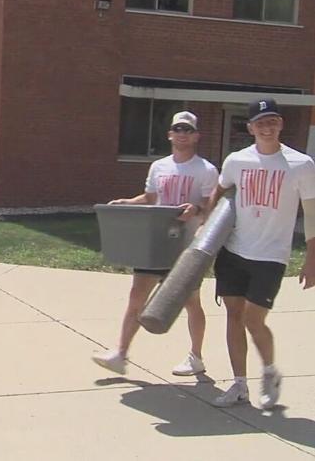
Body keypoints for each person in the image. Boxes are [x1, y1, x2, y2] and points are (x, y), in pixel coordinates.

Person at [205, 98, 315, 409]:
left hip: (271, 256)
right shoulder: (237, 161)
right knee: (233, 315)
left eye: (273, 121)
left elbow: (312, 212)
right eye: (261, 123)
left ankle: (269, 372)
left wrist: (312, 257)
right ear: (251, 128)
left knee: (254, 320)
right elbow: (220, 188)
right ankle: (239, 384)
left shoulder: (301, 164)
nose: (267, 127)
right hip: (234, 251)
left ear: (280, 124)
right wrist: (207, 223)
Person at [93, 111, 218, 376]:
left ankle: (196, 357)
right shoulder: (159, 166)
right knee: (136, 297)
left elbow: (211, 207)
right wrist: (129, 202)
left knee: (191, 303)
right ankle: (120, 354)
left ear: (196, 136)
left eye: (187, 130)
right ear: (170, 134)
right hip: (154, 245)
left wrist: (195, 209)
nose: (182, 134)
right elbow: (151, 197)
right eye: (178, 129)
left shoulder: (206, 170)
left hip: (185, 248)